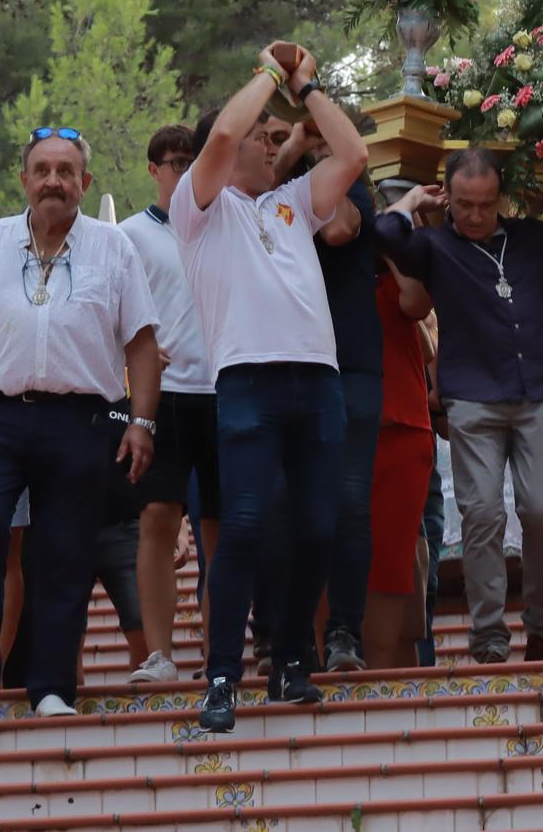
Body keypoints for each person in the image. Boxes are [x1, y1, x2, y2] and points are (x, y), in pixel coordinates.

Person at [0, 128, 160, 718]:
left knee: (63, 552)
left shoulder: (113, 247)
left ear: (85, 182)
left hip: (81, 420)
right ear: (23, 181)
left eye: (66, 170)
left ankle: (53, 689)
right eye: (42, 169)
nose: (54, 179)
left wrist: (141, 423)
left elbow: (141, 344)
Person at [175, 42, 367, 731]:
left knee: (319, 527)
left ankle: (290, 659)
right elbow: (224, 133)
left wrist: (307, 84)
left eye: (270, 133)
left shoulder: (291, 203)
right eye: (263, 135)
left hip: (317, 381)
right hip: (248, 381)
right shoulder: (198, 208)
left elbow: (352, 157)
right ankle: (224, 672)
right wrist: (265, 70)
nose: (269, 140)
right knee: (248, 526)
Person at [383, 152, 543, 664]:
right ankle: (489, 637)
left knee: (542, 511)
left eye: (487, 205)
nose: (475, 216)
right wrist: (411, 199)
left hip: (541, 392)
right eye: (465, 204)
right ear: (448, 197)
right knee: (483, 514)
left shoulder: (531, 238)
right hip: (472, 398)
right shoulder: (433, 245)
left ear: (502, 200)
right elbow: (385, 235)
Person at [118, 125, 222, 686]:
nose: (184, 171)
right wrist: (131, 349)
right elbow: (109, 311)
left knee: (219, 528)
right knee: (158, 520)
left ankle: (219, 650)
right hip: (164, 393)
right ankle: (159, 654)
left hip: (226, 386)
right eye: (174, 163)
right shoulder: (130, 235)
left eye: (193, 161)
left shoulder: (222, 223)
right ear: (154, 169)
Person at [314, 153, 383, 675]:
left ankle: (344, 632)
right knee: (282, 504)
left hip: (353, 365)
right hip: (289, 361)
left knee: (350, 502)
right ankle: (282, 633)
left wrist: (327, 163)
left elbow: (337, 230)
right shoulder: (267, 197)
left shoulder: (353, 193)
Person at [365, 260, 438, 670]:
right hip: (348, 431)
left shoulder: (396, 277)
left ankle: (394, 688)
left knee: (400, 562)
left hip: (402, 427)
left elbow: (427, 344)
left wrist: (395, 241)